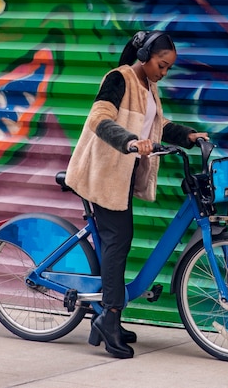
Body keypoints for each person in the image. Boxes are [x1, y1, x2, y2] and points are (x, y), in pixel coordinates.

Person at [64, 31, 209, 359]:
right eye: (162, 64)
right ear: (145, 55)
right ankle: (109, 320)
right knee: (120, 241)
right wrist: (129, 141)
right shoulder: (119, 78)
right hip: (101, 175)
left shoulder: (149, 88)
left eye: (168, 68)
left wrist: (188, 135)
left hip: (121, 176)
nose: (164, 72)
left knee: (118, 242)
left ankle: (108, 314)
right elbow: (99, 119)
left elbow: (156, 126)